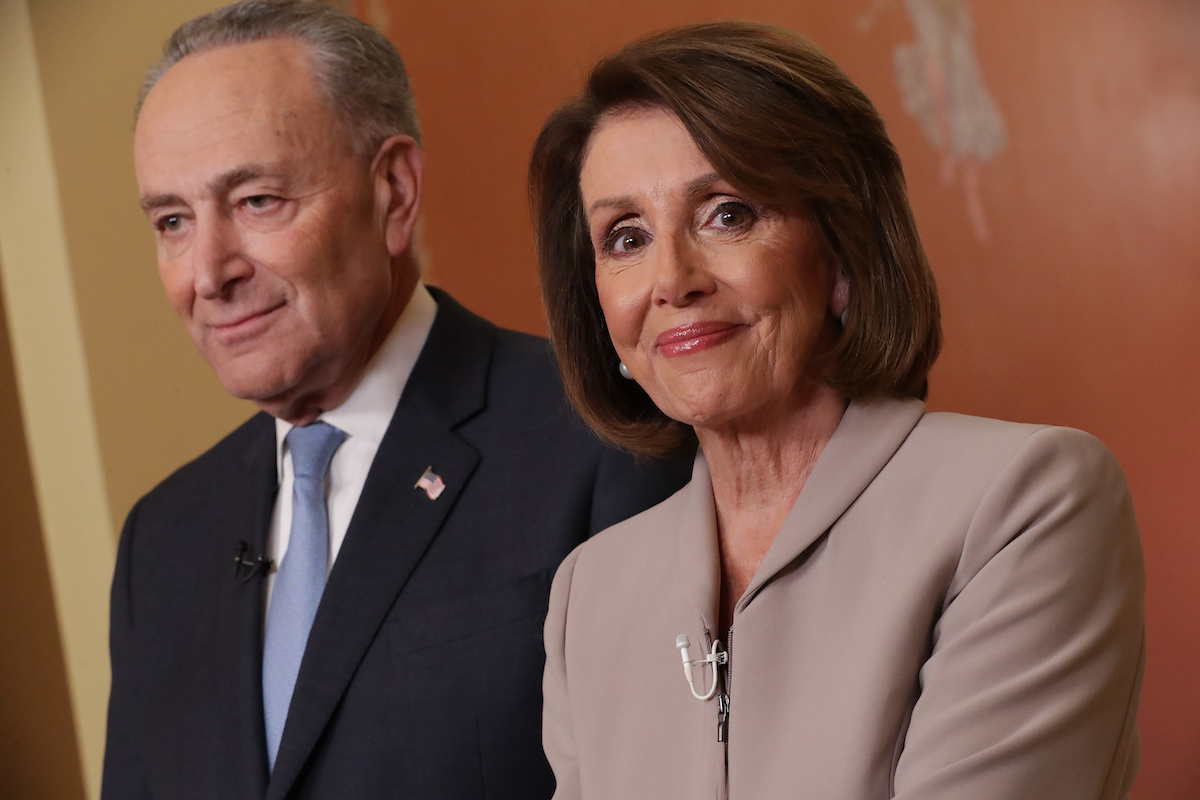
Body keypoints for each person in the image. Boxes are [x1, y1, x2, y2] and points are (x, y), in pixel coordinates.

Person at [529, 20, 1144, 800]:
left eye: (727, 213)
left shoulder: (1025, 502)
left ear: (844, 251)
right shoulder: (592, 593)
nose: (670, 278)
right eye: (625, 237)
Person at [103, 2, 690, 798]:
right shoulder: (160, 543)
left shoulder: (601, 436)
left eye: (257, 202)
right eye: (172, 220)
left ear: (393, 191)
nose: (209, 272)